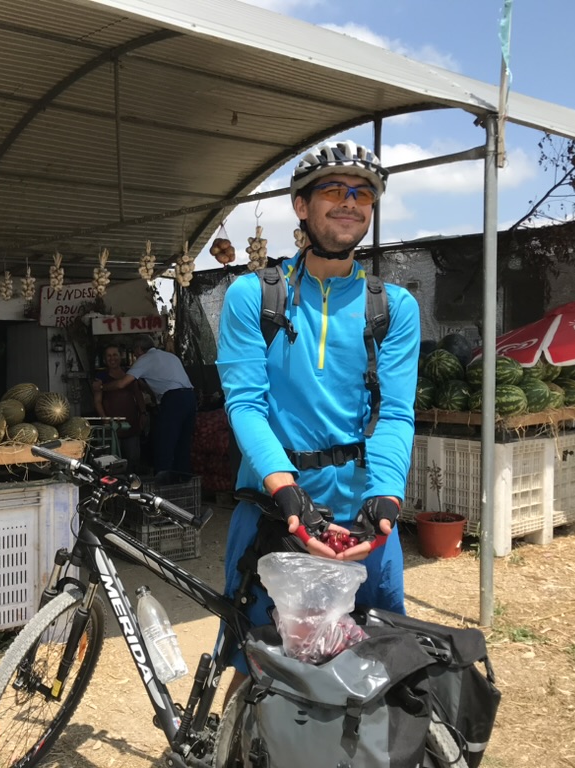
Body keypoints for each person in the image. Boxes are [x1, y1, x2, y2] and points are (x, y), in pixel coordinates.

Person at [216, 139, 421, 698]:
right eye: (333, 189)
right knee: (256, 665)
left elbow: (394, 411)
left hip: (362, 518)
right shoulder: (253, 296)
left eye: (363, 194)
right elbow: (245, 404)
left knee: (375, 667)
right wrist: (286, 492)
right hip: (273, 510)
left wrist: (386, 497)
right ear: (301, 206)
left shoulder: (394, 308)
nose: (349, 202)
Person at [94, 335, 196, 483]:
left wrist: (102, 387)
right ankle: (183, 482)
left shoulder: (144, 360)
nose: (135, 355)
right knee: (182, 443)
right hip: (189, 398)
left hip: (173, 400)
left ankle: (164, 484)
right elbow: (154, 384)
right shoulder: (170, 357)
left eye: (134, 352)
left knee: (164, 443)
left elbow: (122, 384)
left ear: (139, 349)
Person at [92, 344, 146, 470]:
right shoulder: (101, 377)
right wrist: (105, 419)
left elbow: (138, 395)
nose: (112, 358)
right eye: (109, 356)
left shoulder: (130, 373)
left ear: (121, 356)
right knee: (112, 462)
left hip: (131, 424)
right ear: (104, 359)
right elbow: (97, 401)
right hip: (112, 427)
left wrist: (143, 413)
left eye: (115, 355)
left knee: (133, 461)